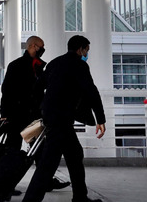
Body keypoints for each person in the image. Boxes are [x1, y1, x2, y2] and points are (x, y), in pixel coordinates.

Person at [22, 35, 106, 202]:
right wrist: (100, 119)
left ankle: (80, 197)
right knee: (48, 164)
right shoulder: (79, 65)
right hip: (61, 120)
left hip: (54, 117)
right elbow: (91, 92)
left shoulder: (54, 63)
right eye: (86, 50)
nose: (87, 54)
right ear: (80, 49)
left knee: (75, 154)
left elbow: (38, 87)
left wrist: (42, 109)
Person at [0, 36, 69, 195]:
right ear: (32, 46)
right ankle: (6, 185)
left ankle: (46, 182)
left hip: (32, 117)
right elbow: (7, 91)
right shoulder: (16, 65)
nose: (42, 50)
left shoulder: (38, 67)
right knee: (13, 151)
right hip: (16, 117)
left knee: (40, 150)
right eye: (41, 47)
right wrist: (4, 114)